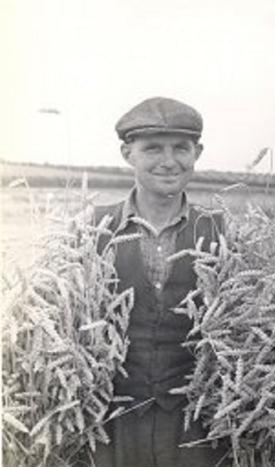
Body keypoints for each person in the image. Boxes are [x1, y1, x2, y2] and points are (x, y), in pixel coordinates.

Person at [83, 97, 228, 467]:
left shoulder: (222, 232)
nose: (168, 161)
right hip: (109, 427)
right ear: (127, 153)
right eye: (152, 149)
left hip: (198, 429)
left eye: (180, 148)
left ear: (197, 152)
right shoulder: (90, 229)